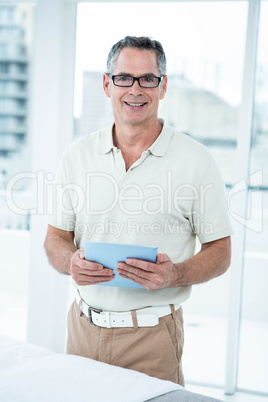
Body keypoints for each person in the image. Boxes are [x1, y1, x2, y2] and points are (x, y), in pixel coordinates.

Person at [44, 36, 232, 385]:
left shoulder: (196, 160)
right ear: (106, 84)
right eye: (124, 78)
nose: (135, 89)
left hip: (153, 338)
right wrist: (69, 262)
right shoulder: (77, 154)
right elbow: (56, 238)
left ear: (163, 88)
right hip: (82, 331)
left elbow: (220, 252)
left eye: (148, 79)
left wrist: (176, 275)